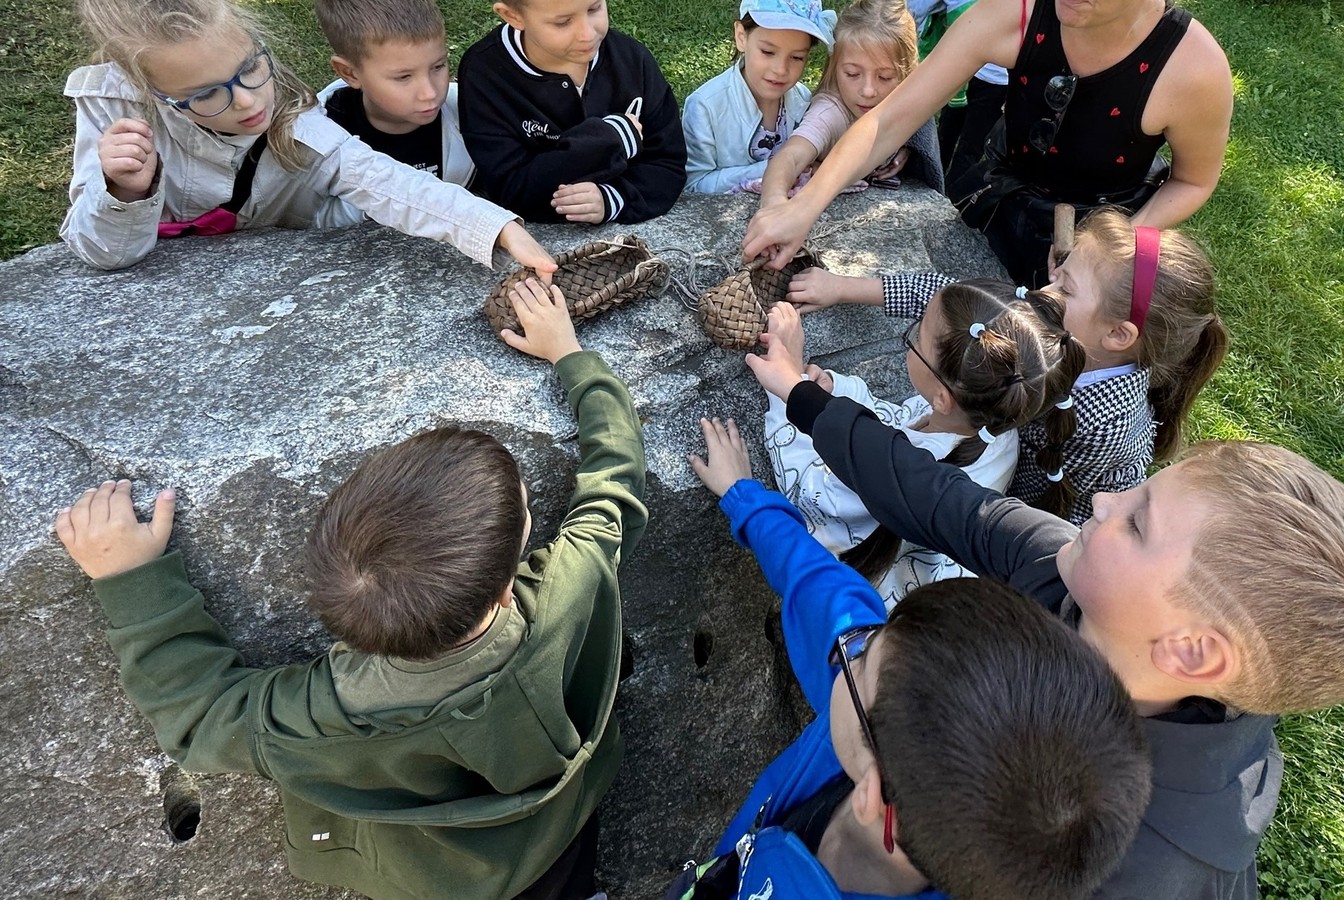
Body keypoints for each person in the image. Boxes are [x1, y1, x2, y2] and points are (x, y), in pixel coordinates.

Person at [53, 280, 647, 900]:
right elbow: (614, 482)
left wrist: (130, 578)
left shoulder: (317, 719)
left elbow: (196, 716)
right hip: (563, 830)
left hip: (433, 881)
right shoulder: (569, 587)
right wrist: (570, 354)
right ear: (503, 590)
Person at [745, 333, 1344, 897]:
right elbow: (935, 496)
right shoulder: (1076, 580)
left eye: (1138, 523)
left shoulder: (1137, 872)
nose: (1108, 498)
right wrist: (803, 396)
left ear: (1191, 650)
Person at [667, 417, 1150, 900]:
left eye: (860, 658)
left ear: (873, 796)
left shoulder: (886, 733)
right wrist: (744, 497)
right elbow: (827, 596)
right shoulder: (904, 747)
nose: (848, 647)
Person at [741, 0, 1234, 287]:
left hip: (1108, 234)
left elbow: (1193, 180)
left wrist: (1112, 247)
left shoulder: (1192, 69)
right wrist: (804, 205)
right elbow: (890, 119)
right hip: (1000, 206)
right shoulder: (1013, 13)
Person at [783, 207, 1227, 524]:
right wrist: (841, 286)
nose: (1043, 292)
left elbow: (1041, 504)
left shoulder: (1101, 428)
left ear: (1117, 336)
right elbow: (954, 304)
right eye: (1057, 275)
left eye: (1066, 289)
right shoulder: (1064, 326)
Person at [61, 0, 555, 275]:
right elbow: (106, 252)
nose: (250, 102)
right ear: (152, 92)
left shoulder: (298, 122)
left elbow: (389, 183)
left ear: (257, 45)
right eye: (209, 95)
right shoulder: (113, 104)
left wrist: (497, 228)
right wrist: (123, 190)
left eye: (251, 69)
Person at [761, 284, 1083, 607]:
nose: (913, 338)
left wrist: (787, 390)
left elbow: (811, 492)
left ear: (944, 398)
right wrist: (837, 393)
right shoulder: (994, 427)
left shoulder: (893, 473)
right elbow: (897, 426)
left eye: (917, 338)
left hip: (866, 597)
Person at [457, 0, 687, 225]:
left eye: (594, 8)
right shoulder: (485, 74)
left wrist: (614, 198)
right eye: (563, 22)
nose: (587, 33)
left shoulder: (633, 61)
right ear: (513, 16)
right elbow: (511, 188)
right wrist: (608, 141)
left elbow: (668, 163)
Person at [756, 0, 943, 203]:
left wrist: (908, 144)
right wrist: (774, 204)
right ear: (835, 67)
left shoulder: (909, 99)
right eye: (852, 74)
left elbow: (919, 122)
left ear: (908, 74)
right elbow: (791, 156)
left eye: (885, 77)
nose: (868, 91)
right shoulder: (829, 112)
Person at [314, 0, 475, 186]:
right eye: (404, 77)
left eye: (438, 66)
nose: (429, 93)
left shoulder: (472, 113)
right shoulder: (318, 138)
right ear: (349, 73)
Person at [682, 0, 835, 194]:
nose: (780, 70)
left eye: (797, 57)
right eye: (768, 52)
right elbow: (694, 184)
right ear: (741, 37)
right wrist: (773, 169)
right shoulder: (705, 107)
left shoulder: (803, 99)